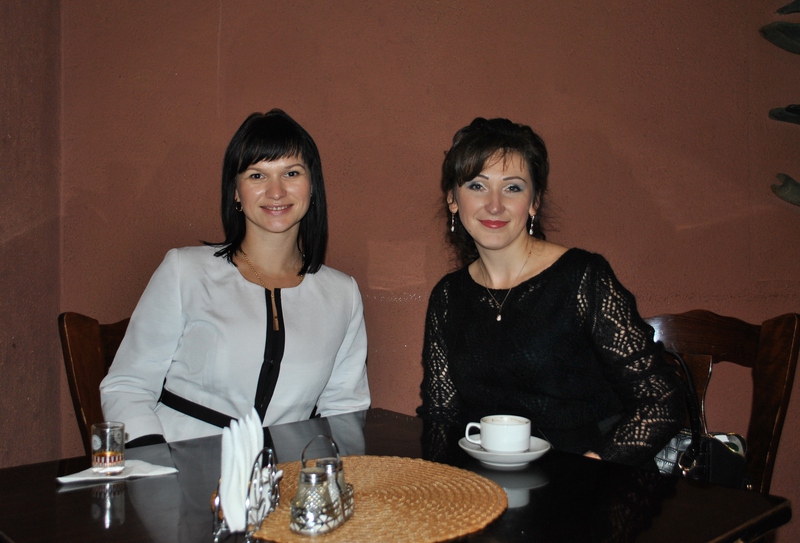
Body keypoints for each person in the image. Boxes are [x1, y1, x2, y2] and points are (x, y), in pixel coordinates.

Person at [417, 117, 684, 467]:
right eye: (477, 186)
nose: (494, 205)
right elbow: (440, 414)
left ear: (534, 202)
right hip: (488, 483)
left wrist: (594, 466)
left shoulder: (582, 278)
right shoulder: (447, 297)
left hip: (588, 479)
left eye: (512, 188)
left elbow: (661, 400)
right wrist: (437, 485)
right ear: (453, 199)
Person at [101, 109, 370, 446]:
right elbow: (128, 386)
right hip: (178, 463)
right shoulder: (185, 271)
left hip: (284, 473)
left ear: (312, 186)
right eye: (257, 175)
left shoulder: (342, 295)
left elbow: (345, 408)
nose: (276, 191)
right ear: (236, 192)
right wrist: (153, 463)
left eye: (291, 173)